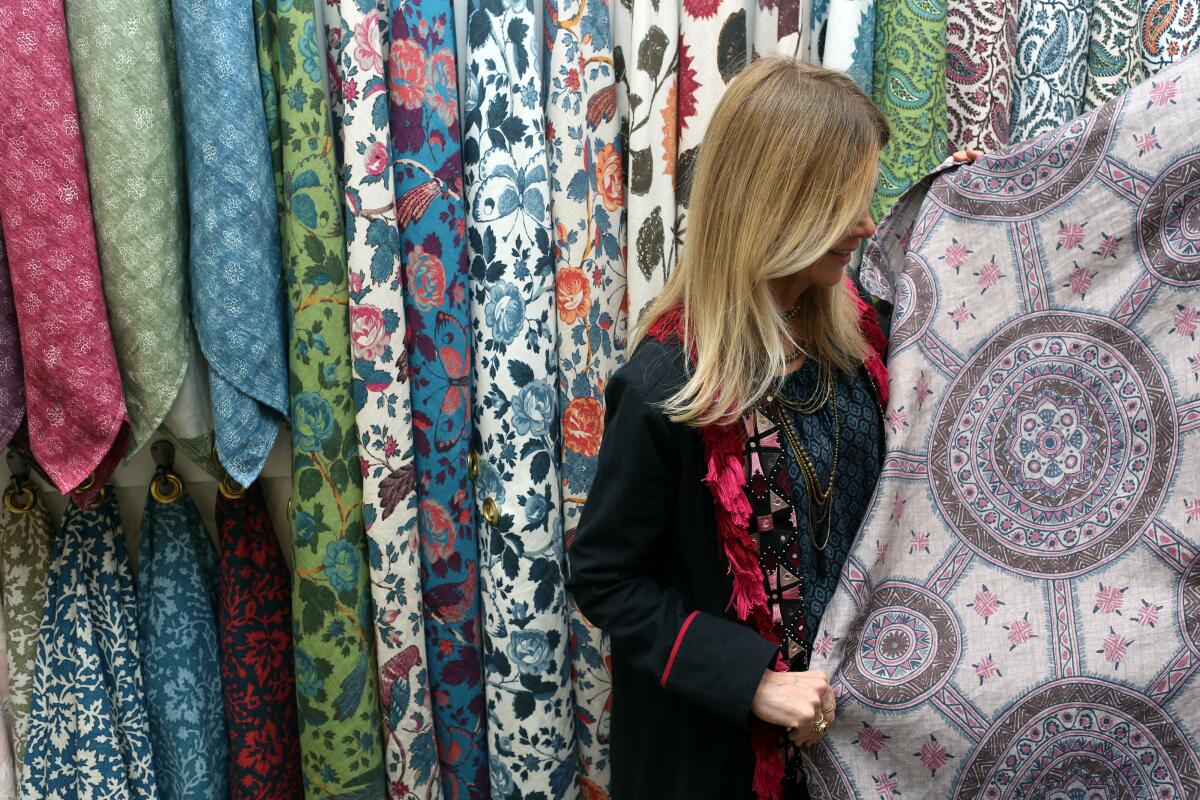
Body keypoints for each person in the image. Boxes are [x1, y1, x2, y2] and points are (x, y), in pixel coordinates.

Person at [567, 57, 980, 799]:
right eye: (843, 205)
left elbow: (930, 278)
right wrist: (751, 679)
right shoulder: (669, 385)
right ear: (779, 205)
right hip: (720, 758)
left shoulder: (856, 344)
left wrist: (973, 204)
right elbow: (606, 576)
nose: (864, 224)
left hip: (853, 744)